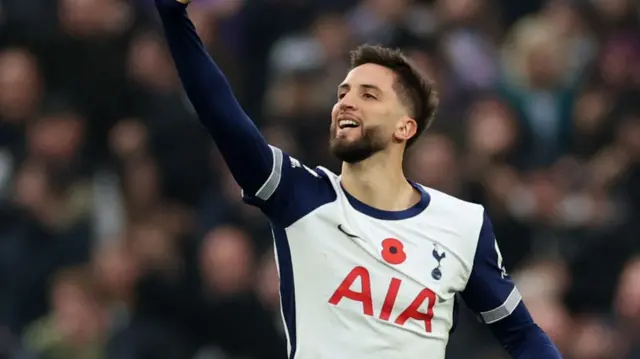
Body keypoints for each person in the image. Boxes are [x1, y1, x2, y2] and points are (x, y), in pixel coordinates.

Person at [154, 0, 563, 358]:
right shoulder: (301, 196)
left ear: (405, 127)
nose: (346, 101)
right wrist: (175, 19)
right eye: (343, 92)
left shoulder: (463, 224)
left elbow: (522, 335)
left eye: (368, 95)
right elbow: (222, 115)